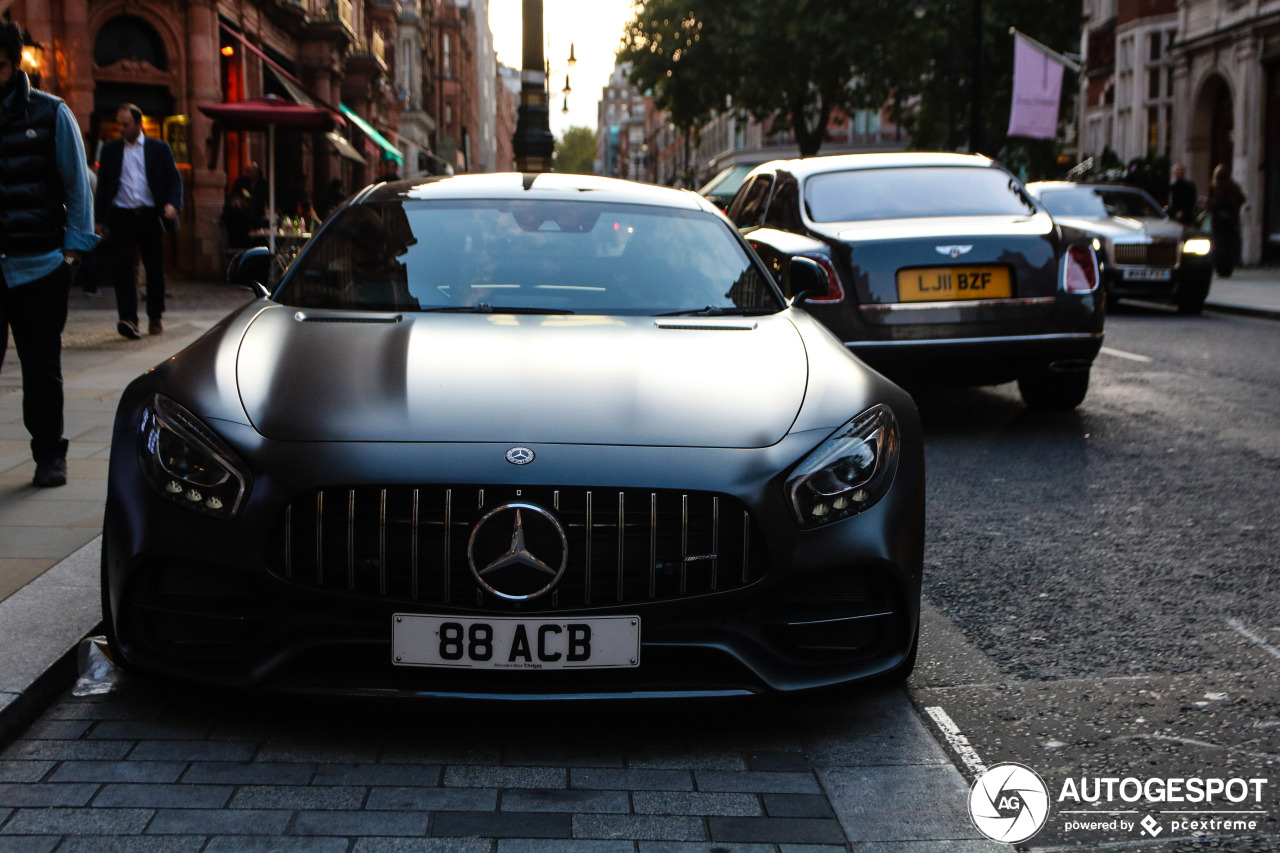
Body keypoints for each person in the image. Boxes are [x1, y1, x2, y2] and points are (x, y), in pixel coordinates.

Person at [0, 21, 98, 487]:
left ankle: (49, 455)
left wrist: (72, 254)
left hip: (39, 266)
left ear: (14, 62)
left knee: (42, 368)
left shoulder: (52, 114)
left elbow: (78, 187)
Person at [95, 102, 182, 338]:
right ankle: (128, 319)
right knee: (123, 268)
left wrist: (172, 204)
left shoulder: (159, 149)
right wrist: (99, 220)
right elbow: (103, 188)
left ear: (138, 124)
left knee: (154, 268)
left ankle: (155, 317)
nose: (121, 128)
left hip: (150, 214)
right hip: (122, 215)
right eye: (119, 124)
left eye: (126, 124)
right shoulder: (110, 150)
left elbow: (174, 180)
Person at [1207, 163, 1245, 277]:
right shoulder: (1234, 186)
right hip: (1231, 218)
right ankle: (1228, 268)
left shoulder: (1218, 186)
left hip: (1219, 219)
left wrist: (1208, 203)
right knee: (1229, 244)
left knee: (1219, 244)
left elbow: (1218, 202)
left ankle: (1221, 268)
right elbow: (1242, 199)